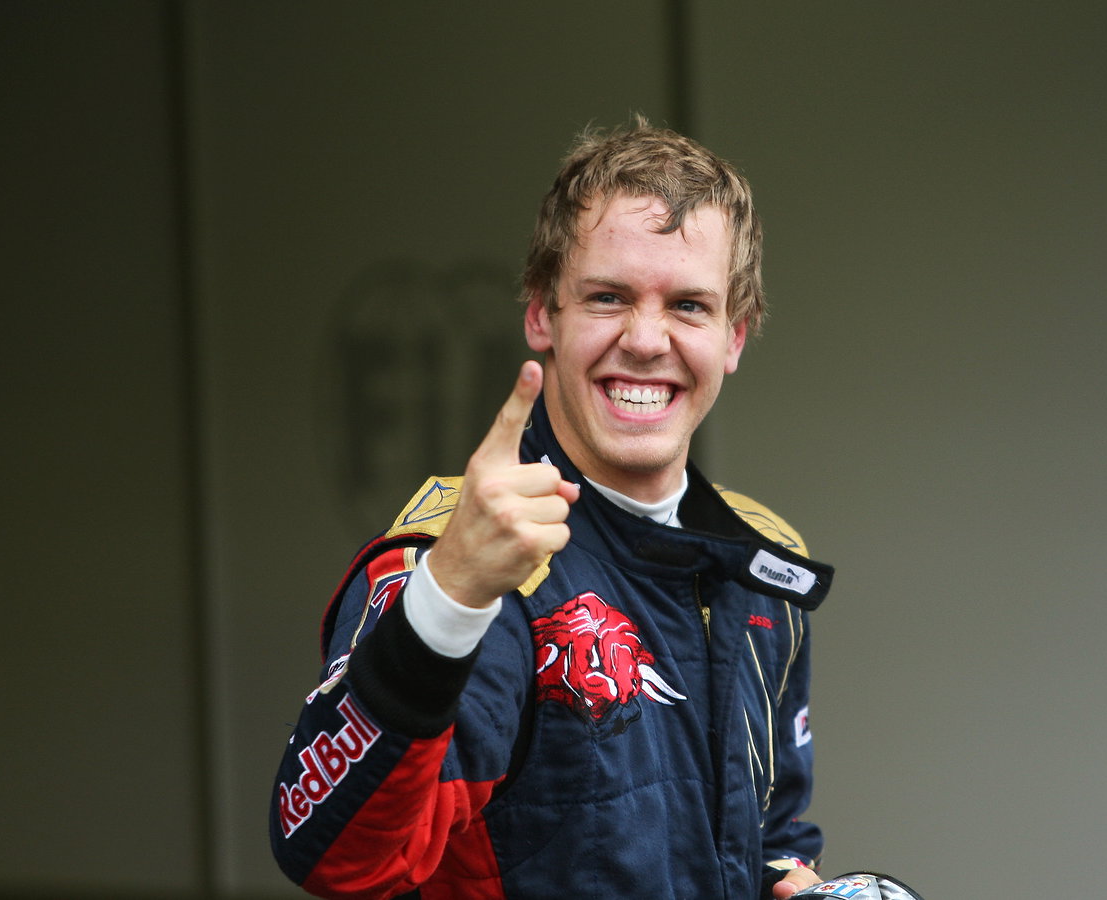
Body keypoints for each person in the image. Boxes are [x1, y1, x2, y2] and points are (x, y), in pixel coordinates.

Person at [270, 117, 833, 900]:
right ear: (541, 314)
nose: (645, 339)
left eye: (689, 307)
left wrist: (800, 886)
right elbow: (341, 859)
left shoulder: (762, 557)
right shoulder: (465, 556)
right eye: (607, 297)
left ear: (734, 337)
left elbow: (774, 832)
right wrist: (451, 595)